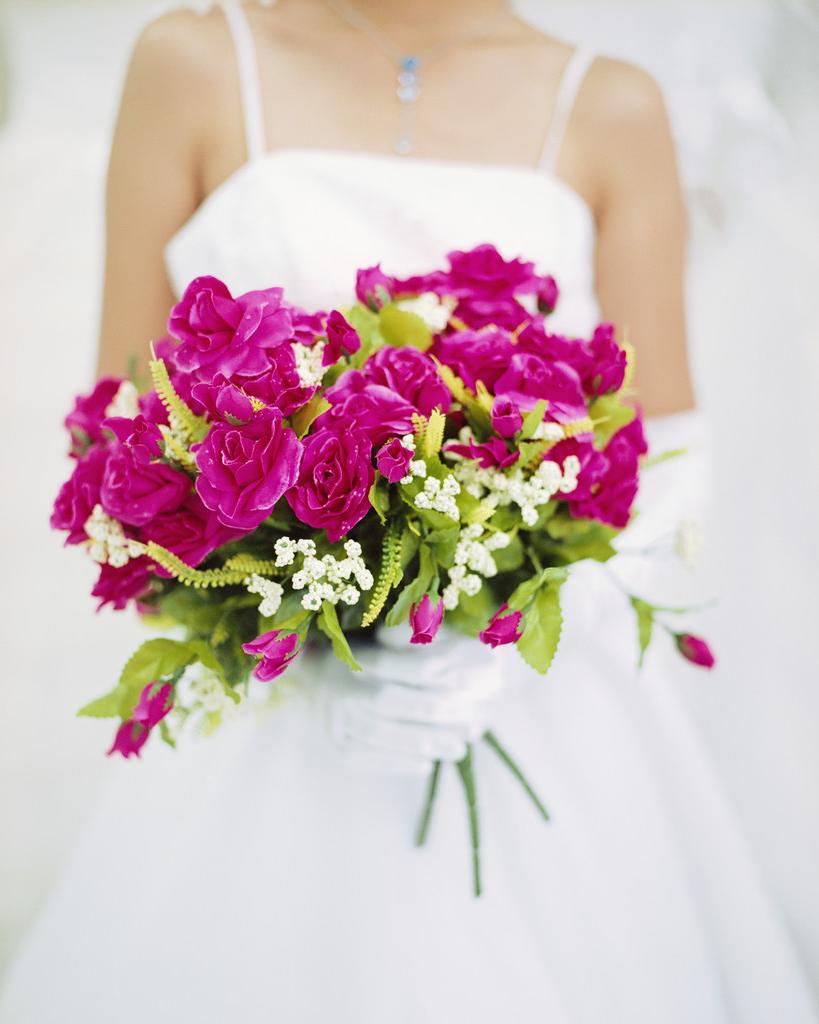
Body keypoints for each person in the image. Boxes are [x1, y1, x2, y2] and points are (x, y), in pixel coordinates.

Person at [1, 2, 816, 1021]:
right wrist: (275, 623)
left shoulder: (611, 104)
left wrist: (503, 634)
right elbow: (121, 430)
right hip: (274, 711)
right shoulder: (192, 61)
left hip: (535, 716)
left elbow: (671, 447)